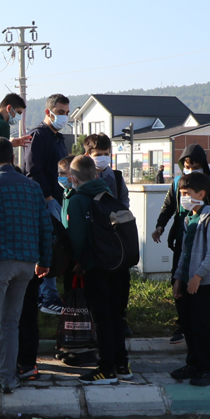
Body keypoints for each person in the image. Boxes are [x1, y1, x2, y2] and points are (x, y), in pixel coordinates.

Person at [0, 138, 52, 397]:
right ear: (13, 158)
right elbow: (45, 226)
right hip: (26, 264)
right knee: (11, 323)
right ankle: (8, 379)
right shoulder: (33, 186)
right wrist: (44, 261)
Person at [64, 155, 131, 385]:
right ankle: (122, 365)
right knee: (116, 315)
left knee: (102, 318)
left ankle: (106, 369)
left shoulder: (77, 200)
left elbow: (77, 238)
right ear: (95, 174)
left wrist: (80, 263)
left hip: (96, 266)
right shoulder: (107, 193)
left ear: (73, 178)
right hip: (118, 264)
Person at [152, 144, 210, 344]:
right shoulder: (178, 182)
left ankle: (209, 323)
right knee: (179, 278)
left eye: (195, 166)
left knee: (205, 283)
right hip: (183, 238)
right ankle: (183, 323)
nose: (191, 169)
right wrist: (160, 226)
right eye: (187, 165)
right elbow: (168, 206)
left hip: (204, 239)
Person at [16, 155, 76, 382]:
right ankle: (27, 364)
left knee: (12, 317)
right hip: (32, 269)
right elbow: (47, 234)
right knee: (28, 316)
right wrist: (44, 263)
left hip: (12, 269)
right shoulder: (36, 200)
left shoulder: (3, 200)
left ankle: (13, 362)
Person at [168, 171, 210, 387]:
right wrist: (178, 279)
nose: (183, 198)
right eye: (181, 194)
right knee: (189, 324)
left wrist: (198, 276)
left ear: (201, 194)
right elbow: (184, 252)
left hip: (203, 283)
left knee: (203, 326)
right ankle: (193, 364)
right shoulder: (188, 218)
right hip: (188, 281)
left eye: (187, 193)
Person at [22, 94, 71, 315]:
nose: (64, 117)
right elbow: (32, 169)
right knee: (49, 246)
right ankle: (47, 296)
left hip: (59, 199)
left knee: (56, 246)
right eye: (60, 112)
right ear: (48, 112)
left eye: (67, 113)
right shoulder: (39, 135)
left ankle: (48, 294)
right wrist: (47, 197)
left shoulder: (58, 138)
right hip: (46, 200)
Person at [82, 133, 133, 341]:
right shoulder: (83, 178)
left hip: (116, 240)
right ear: (88, 155)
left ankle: (120, 318)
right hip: (94, 241)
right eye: (98, 155)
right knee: (97, 288)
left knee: (121, 283)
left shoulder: (117, 178)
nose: (102, 158)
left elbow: (125, 205)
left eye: (106, 154)